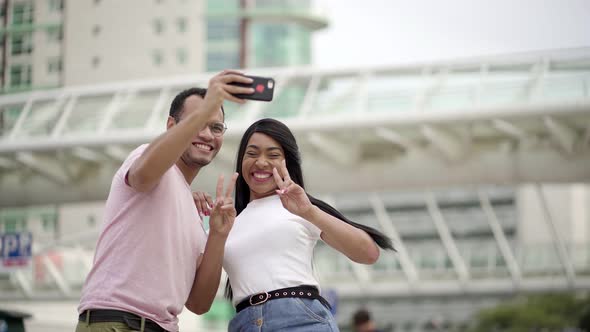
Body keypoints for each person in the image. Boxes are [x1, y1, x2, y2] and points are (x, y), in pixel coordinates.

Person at [75, 70, 255, 332]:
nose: (206, 134)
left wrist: (217, 234)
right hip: (118, 321)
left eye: (216, 127)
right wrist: (206, 110)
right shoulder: (145, 158)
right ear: (172, 126)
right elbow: (145, 174)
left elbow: (199, 303)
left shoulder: (193, 212)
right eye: (198, 121)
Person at [194, 118, 394, 331]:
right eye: (252, 153)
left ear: (287, 162)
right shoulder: (223, 223)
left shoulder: (301, 207)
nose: (261, 162)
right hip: (245, 323)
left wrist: (309, 212)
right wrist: (210, 227)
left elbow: (368, 253)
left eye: (273, 155)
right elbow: (198, 304)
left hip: (301, 319)